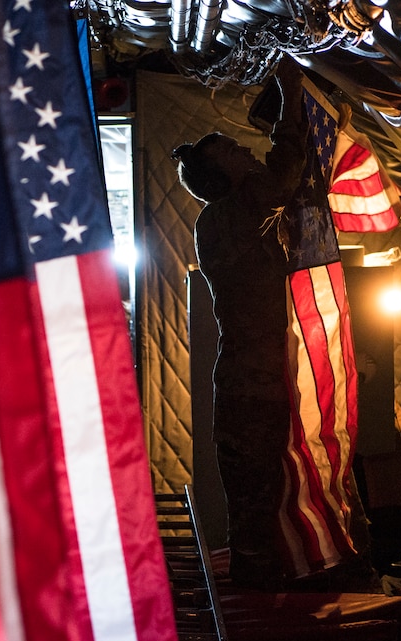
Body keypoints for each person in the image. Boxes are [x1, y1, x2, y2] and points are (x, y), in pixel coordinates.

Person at [172, 58, 308, 590]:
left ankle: (260, 588)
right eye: (232, 151)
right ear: (223, 175)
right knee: (259, 495)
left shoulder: (223, 219)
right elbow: (285, 168)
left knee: (254, 494)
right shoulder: (236, 208)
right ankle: (261, 608)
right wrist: (291, 100)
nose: (244, 151)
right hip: (253, 382)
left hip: (243, 379)